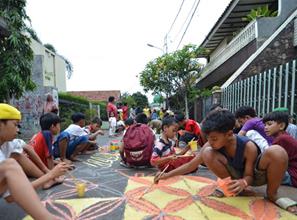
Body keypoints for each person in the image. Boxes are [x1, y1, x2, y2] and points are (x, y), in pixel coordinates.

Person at [199, 109, 297, 214]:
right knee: (206, 152)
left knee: (278, 152)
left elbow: (249, 176)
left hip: (254, 176)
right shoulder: (213, 144)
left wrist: (244, 182)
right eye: (208, 138)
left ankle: (272, 194)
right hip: (236, 176)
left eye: (213, 139)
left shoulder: (248, 146)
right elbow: (193, 163)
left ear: (229, 134)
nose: (210, 142)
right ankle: (232, 188)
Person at [0, 104, 69, 202]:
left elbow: (27, 147)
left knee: (17, 155)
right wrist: (51, 173)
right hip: (11, 183)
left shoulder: (8, 143)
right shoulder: (47, 134)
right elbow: (11, 196)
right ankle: (47, 179)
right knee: (11, 163)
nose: (18, 130)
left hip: (29, 166)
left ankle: (47, 179)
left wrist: (48, 172)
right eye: (15, 125)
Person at [263, 111, 297, 187]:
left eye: (269, 124)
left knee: (263, 172)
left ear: (281, 126)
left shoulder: (282, 139)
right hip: (292, 173)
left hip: (293, 176)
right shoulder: (284, 136)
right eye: (264, 125)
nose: (265, 127)